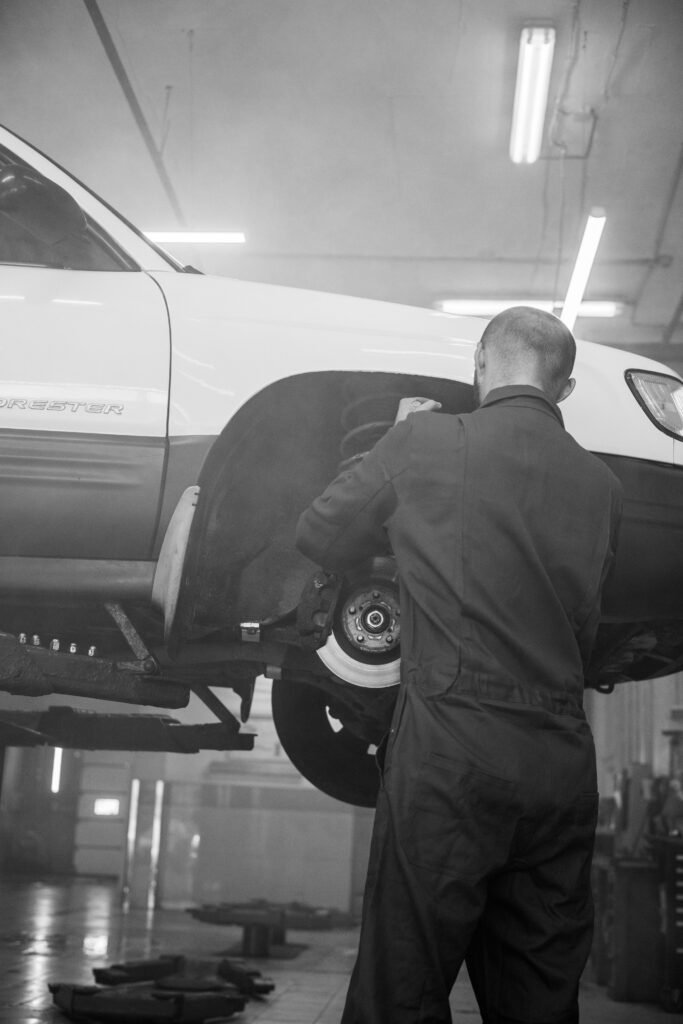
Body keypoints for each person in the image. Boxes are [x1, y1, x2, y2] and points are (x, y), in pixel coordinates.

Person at [295, 306, 623, 1024]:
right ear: (561, 390)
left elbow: (318, 529)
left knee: (402, 990)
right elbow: (588, 635)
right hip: (559, 761)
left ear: (480, 364)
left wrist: (390, 444)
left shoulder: (426, 440)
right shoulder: (600, 486)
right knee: (538, 998)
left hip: (453, 748)